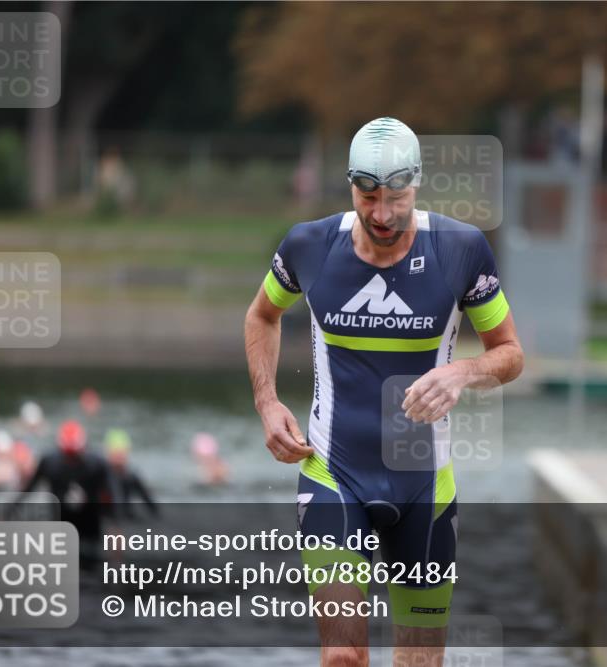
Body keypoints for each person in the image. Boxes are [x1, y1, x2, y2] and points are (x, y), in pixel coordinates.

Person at [244, 117, 524, 667]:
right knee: (343, 656)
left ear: (415, 186)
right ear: (351, 187)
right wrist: (267, 401)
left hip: (424, 485)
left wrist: (461, 373)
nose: (381, 213)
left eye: (395, 197)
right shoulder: (310, 245)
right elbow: (262, 316)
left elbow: (510, 354)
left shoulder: (460, 249)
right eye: (368, 196)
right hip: (333, 473)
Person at [19, 420, 118, 565]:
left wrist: (115, 532)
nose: (72, 461)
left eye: (75, 456)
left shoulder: (97, 465)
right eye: (68, 456)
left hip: (90, 532)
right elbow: (28, 490)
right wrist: (6, 514)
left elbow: (111, 500)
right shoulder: (49, 463)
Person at [104, 428, 159, 517]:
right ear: (108, 453)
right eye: (116, 453)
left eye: (121, 453)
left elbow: (151, 504)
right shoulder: (102, 477)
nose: (119, 457)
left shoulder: (132, 477)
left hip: (127, 517)